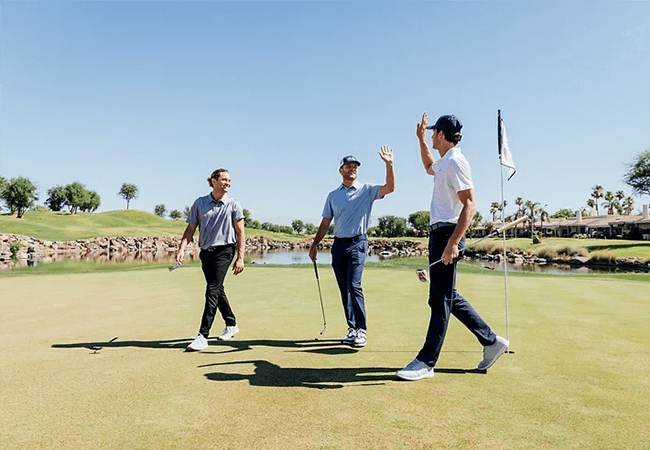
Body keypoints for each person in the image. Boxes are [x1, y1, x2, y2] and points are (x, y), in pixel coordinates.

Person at [396, 113, 509, 381]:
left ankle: (426, 362)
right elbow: (428, 166)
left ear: (443, 135)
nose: (433, 136)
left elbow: (470, 203)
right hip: (439, 234)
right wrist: (420, 139)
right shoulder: (445, 161)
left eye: (434, 133)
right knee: (448, 296)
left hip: (448, 233)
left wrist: (453, 243)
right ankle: (491, 341)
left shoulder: (457, 161)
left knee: (439, 300)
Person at [309, 147, 395, 348]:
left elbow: (389, 188)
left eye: (354, 166)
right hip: (339, 245)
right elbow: (324, 223)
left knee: (354, 285)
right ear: (341, 170)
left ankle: (361, 330)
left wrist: (389, 164)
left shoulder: (367, 190)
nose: (352, 169)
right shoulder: (333, 195)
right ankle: (352, 328)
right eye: (348, 166)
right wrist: (314, 245)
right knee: (344, 288)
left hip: (358, 242)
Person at [177, 168, 246, 352]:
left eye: (229, 180)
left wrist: (240, 258)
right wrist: (182, 248)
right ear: (214, 181)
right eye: (224, 179)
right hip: (205, 252)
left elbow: (240, 233)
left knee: (212, 289)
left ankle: (203, 336)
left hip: (225, 251)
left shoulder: (233, 204)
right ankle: (231, 323)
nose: (227, 183)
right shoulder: (200, 203)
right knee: (217, 289)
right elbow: (190, 229)